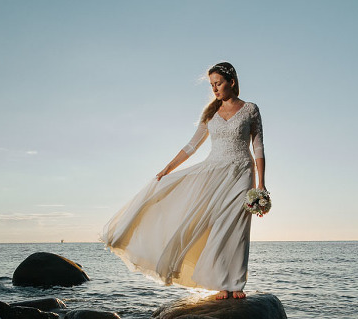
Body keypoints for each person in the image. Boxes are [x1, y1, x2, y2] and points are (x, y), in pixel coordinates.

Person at [102, 62, 266, 300]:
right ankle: (222, 283)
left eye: (218, 83)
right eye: (211, 85)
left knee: (238, 228)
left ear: (232, 81)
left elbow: (258, 146)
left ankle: (237, 283)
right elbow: (191, 146)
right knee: (218, 227)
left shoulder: (251, 109)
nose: (215, 89)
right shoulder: (210, 113)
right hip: (213, 172)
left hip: (242, 171)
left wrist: (261, 184)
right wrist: (168, 168)